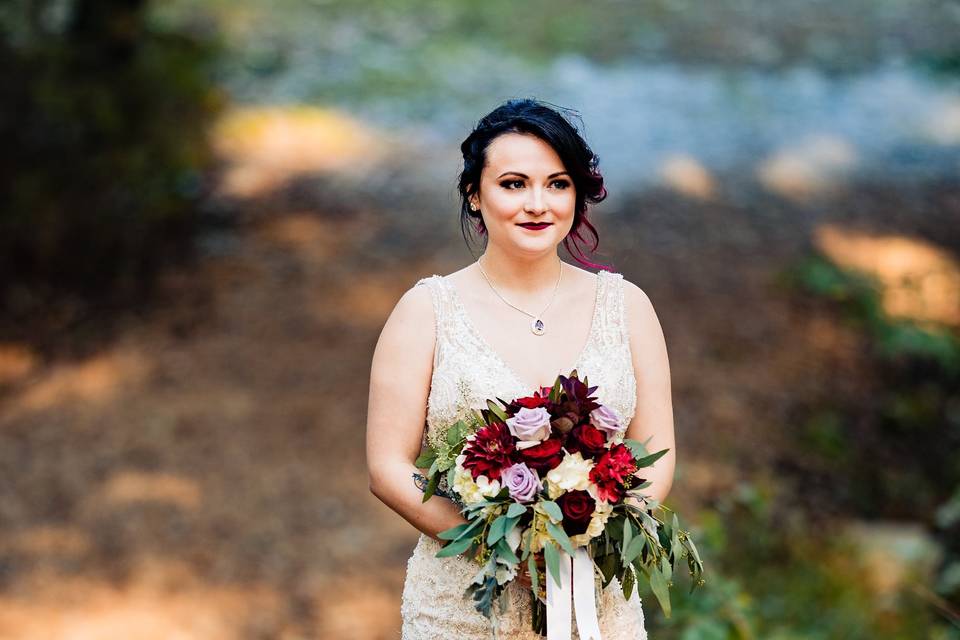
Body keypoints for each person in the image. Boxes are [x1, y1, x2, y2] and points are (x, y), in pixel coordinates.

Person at [366, 98, 675, 639]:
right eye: (513, 184)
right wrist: (502, 540)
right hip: (463, 606)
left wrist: (593, 533)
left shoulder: (628, 307)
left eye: (557, 184)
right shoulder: (426, 311)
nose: (538, 204)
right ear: (474, 194)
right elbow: (389, 467)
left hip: (594, 601)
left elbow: (655, 459)